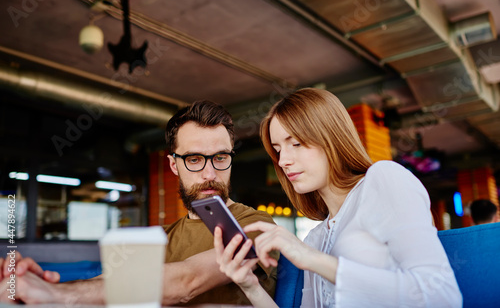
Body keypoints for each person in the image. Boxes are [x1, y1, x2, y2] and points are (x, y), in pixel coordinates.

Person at [0, 100, 277, 306]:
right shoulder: (164, 236)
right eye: (194, 159)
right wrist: (44, 282)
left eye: (220, 157)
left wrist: (55, 295)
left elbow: (187, 282)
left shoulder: (256, 226)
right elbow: (111, 281)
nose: (209, 173)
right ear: (173, 165)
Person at [214, 88, 463, 307]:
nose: (283, 160)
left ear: (331, 137)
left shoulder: (384, 179)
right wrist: (250, 287)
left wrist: (313, 259)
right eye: (278, 150)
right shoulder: (316, 238)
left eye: (296, 144)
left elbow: (442, 296)